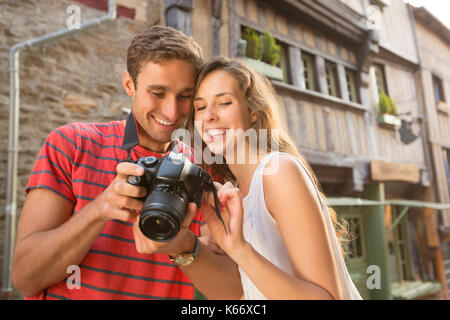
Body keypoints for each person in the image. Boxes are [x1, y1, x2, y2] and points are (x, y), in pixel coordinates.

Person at [12, 26, 242, 300]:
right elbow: (25, 278)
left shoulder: (202, 172)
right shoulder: (71, 144)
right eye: (158, 93)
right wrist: (100, 209)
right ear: (129, 84)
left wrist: (182, 245)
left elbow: (231, 293)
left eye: (185, 96)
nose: (172, 111)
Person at [189, 56, 363, 300]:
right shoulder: (236, 194)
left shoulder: (279, 172)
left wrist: (239, 249)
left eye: (224, 102)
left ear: (252, 111)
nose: (209, 116)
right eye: (200, 107)